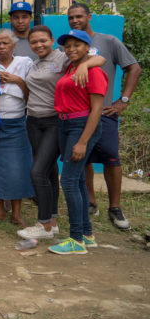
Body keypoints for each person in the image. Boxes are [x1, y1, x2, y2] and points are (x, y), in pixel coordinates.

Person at [19, 25, 104, 242]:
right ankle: (54, 224)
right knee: (46, 173)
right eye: (34, 42)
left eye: (43, 41)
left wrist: (86, 64)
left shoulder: (64, 59)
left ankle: (45, 224)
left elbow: (98, 59)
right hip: (34, 121)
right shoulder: (35, 63)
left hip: (55, 122)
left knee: (39, 172)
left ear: (52, 40)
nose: (39, 45)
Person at [67, 2, 141, 229]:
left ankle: (115, 207)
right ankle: (91, 201)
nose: (75, 20)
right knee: (85, 159)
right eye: (71, 18)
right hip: (79, 114)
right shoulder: (68, 46)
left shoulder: (107, 41)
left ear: (89, 16)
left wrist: (123, 101)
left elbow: (134, 67)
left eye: (79, 16)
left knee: (110, 157)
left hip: (105, 111)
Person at [48, 29, 107, 255]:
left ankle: (75, 240)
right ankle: (86, 234)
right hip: (66, 124)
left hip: (81, 125)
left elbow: (97, 110)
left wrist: (83, 141)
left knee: (70, 181)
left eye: (77, 45)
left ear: (87, 47)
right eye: (68, 46)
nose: (71, 49)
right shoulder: (72, 67)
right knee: (79, 179)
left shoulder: (94, 72)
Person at [0, 29, 34, 226]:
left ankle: (17, 213)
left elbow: (33, 92)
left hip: (17, 122)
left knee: (17, 168)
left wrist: (17, 80)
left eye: (5, 43)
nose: (1, 47)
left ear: (13, 45)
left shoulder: (24, 63)